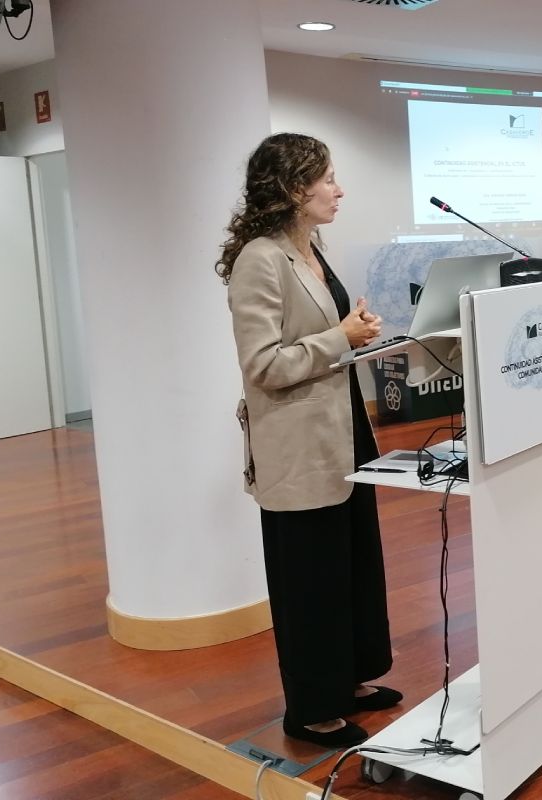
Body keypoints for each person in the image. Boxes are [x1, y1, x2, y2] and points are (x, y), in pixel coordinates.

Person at [216, 133, 401, 748]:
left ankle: (347, 680)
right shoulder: (260, 260)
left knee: (351, 565)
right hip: (296, 447)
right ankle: (311, 709)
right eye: (326, 179)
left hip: (345, 432)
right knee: (310, 581)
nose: (338, 190)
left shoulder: (310, 249)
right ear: (293, 188)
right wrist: (340, 339)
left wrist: (357, 334)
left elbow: (323, 335)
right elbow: (263, 364)